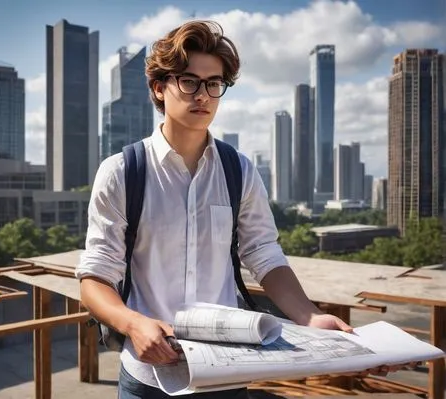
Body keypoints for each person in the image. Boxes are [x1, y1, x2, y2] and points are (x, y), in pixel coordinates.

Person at [76, 20, 404, 399]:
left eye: (214, 84)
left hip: (226, 373)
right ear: (159, 88)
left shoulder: (239, 170)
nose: (203, 95)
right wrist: (133, 324)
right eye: (189, 81)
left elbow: (263, 253)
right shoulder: (122, 172)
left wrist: (309, 315)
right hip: (148, 376)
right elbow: (96, 277)